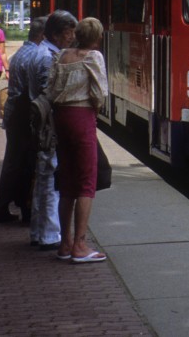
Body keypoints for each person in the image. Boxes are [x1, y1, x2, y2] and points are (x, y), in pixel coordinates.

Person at [47, 16, 109, 263]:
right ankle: (80, 246)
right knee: (86, 182)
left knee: (67, 180)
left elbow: (50, 88)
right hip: (82, 118)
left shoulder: (60, 56)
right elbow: (100, 92)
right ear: (96, 37)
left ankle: (65, 243)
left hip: (60, 119)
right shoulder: (93, 57)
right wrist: (94, 106)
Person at [26, 10, 76, 252]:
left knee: (44, 178)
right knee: (51, 180)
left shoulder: (41, 52)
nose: (72, 37)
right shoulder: (48, 57)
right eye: (69, 33)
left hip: (42, 126)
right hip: (50, 127)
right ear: (57, 34)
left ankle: (39, 231)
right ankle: (49, 234)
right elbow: (51, 94)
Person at [0, 16, 45, 224]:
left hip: (14, 115)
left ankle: (3, 208)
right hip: (22, 117)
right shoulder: (35, 55)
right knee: (22, 164)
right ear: (43, 35)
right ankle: (21, 208)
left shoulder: (22, 52)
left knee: (13, 163)